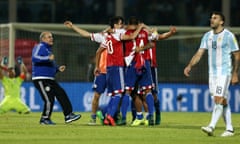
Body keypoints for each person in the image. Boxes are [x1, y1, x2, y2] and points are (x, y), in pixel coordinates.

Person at [64, 16, 145, 126]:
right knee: (103, 95)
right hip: (107, 70)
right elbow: (86, 35)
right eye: (120, 24)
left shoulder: (112, 34)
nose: (122, 25)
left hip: (112, 69)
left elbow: (129, 28)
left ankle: (113, 116)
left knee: (117, 95)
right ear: (115, 26)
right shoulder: (108, 36)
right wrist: (73, 27)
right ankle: (98, 117)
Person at [184, 11, 240, 137]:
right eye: (211, 18)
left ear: (222, 22)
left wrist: (235, 73)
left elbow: (237, 55)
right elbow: (199, 53)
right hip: (212, 74)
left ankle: (211, 126)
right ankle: (230, 129)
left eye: (215, 18)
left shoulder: (228, 36)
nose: (212, 20)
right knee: (222, 100)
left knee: (218, 99)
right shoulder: (207, 36)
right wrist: (189, 65)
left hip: (224, 73)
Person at [32, 31, 81, 125]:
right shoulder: (39, 46)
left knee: (61, 94)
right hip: (41, 79)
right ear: (43, 39)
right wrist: (47, 59)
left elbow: (48, 65)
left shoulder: (47, 50)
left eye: (52, 37)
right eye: (49, 37)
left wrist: (57, 68)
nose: (51, 38)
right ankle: (45, 118)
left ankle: (68, 115)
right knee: (49, 99)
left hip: (50, 79)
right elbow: (34, 58)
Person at [88, 45, 107, 125]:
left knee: (117, 96)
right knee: (96, 95)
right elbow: (87, 35)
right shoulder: (105, 38)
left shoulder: (119, 37)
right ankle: (93, 118)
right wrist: (97, 66)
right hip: (102, 72)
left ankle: (115, 116)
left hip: (114, 71)